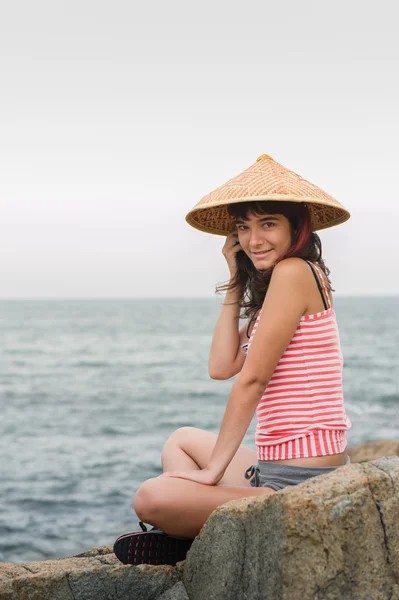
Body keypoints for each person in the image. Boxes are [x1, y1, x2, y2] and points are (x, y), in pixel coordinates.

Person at [113, 154, 352, 566]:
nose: (254, 239)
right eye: (244, 228)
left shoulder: (295, 272)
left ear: (298, 226)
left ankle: (196, 533)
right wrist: (237, 275)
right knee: (180, 441)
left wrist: (211, 474)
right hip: (272, 471)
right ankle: (202, 533)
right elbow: (222, 366)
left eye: (268, 224)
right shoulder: (279, 287)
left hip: (304, 483)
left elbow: (252, 380)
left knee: (150, 496)